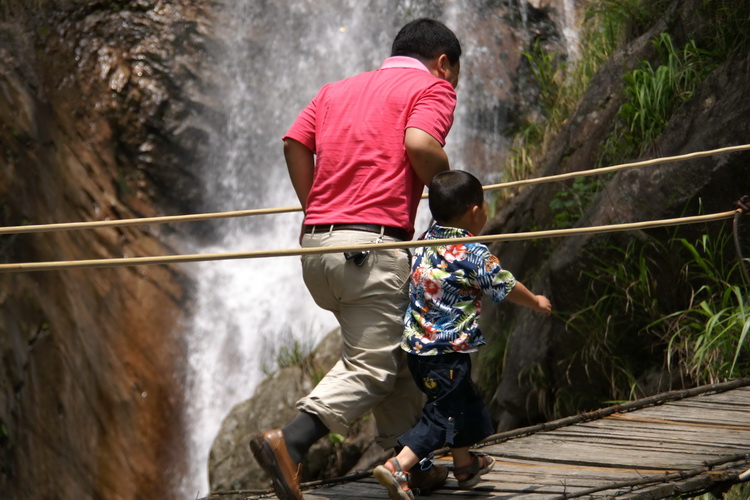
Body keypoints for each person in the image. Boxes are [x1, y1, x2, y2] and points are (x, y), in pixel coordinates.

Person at [249, 18, 462, 500]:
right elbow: (420, 144)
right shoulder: (432, 87)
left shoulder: (335, 90)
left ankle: (412, 461)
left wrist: (318, 211)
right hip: (371, 250)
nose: (451, 85)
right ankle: (293, 441)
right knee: (373, 364)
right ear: (443, 63)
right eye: (453, 75)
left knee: (399, 351)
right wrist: (448, 191)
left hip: (319, 250)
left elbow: (294, 143)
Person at [373, 170, 552, 500]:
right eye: (485, 206)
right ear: (475, 211)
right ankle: (400, 465)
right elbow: (504, 284)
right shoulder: (472, 254)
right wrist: (536, 301)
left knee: (463, 401)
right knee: (445, 414)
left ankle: (465, 464)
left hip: (417, 351)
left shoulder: (428, 238)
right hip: (445, 354)